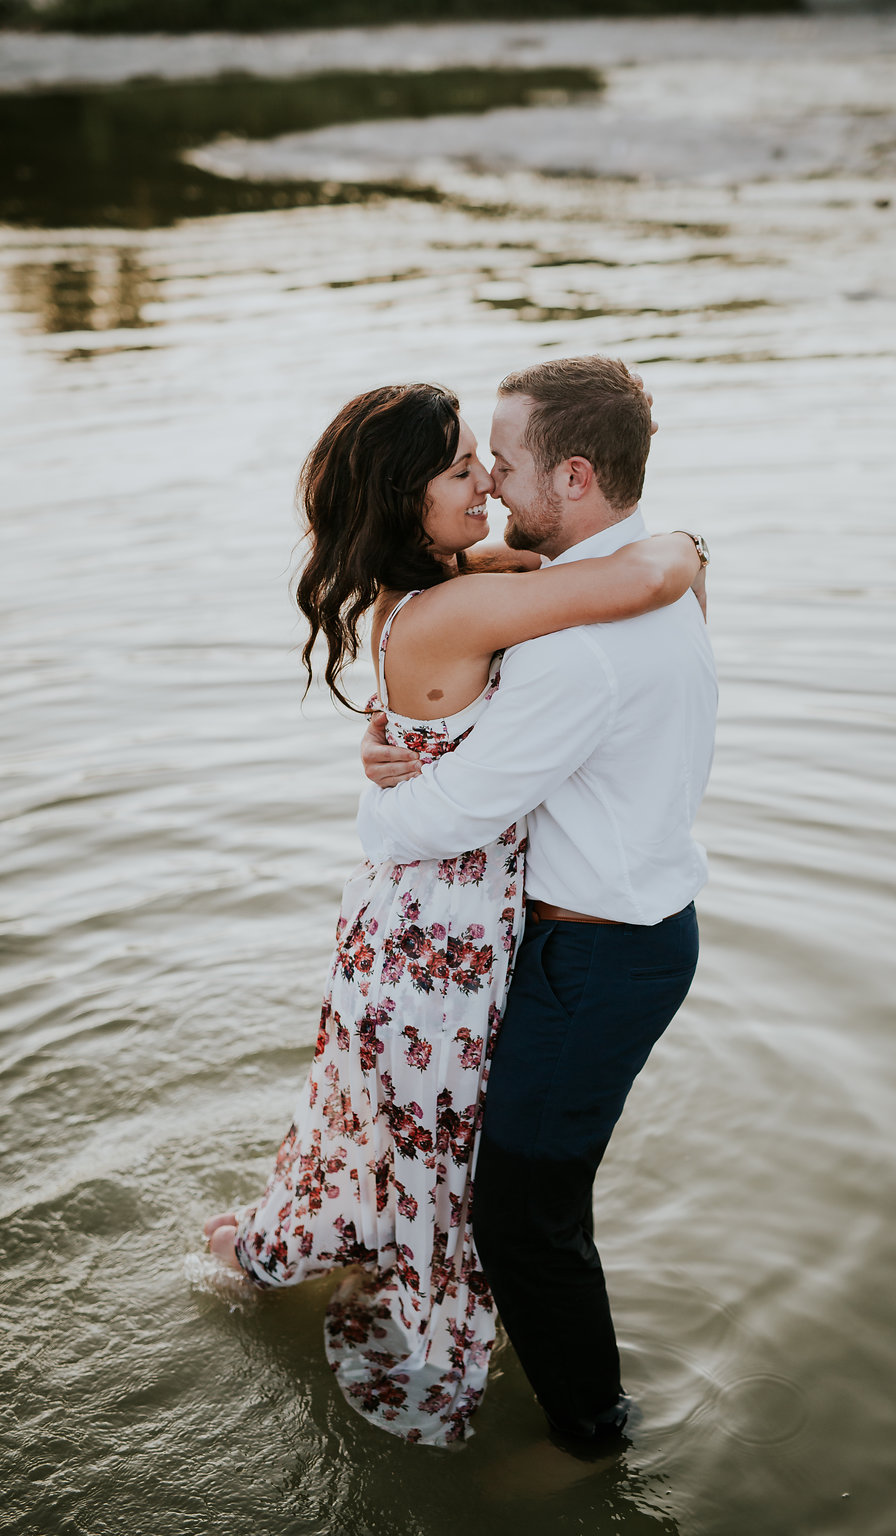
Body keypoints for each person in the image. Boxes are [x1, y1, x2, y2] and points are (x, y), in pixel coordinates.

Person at [202, 377, 702, 1447]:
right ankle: (530, 1383)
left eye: (494, 459)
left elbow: (606, 581)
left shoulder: (453, 584)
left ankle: (281, 1255)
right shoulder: (475, 600)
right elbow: (646, 573)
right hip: (441, 941)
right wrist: (681, 551)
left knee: (432, 1157)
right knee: (450, 1167)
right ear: (404, 499)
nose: (485, 479)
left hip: (441, 935)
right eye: (462, 466)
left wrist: (391, 763)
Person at [357, 355, 718, 1450]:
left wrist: (387, 785)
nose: (493, 490)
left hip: (594, 961)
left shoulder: (578, 654)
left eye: (504, 465)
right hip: (622, 934)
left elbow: (439, 822)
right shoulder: (647, 580)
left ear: (571, 475)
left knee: (525, 1220)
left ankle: (589, 1435)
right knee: (528, 1198)